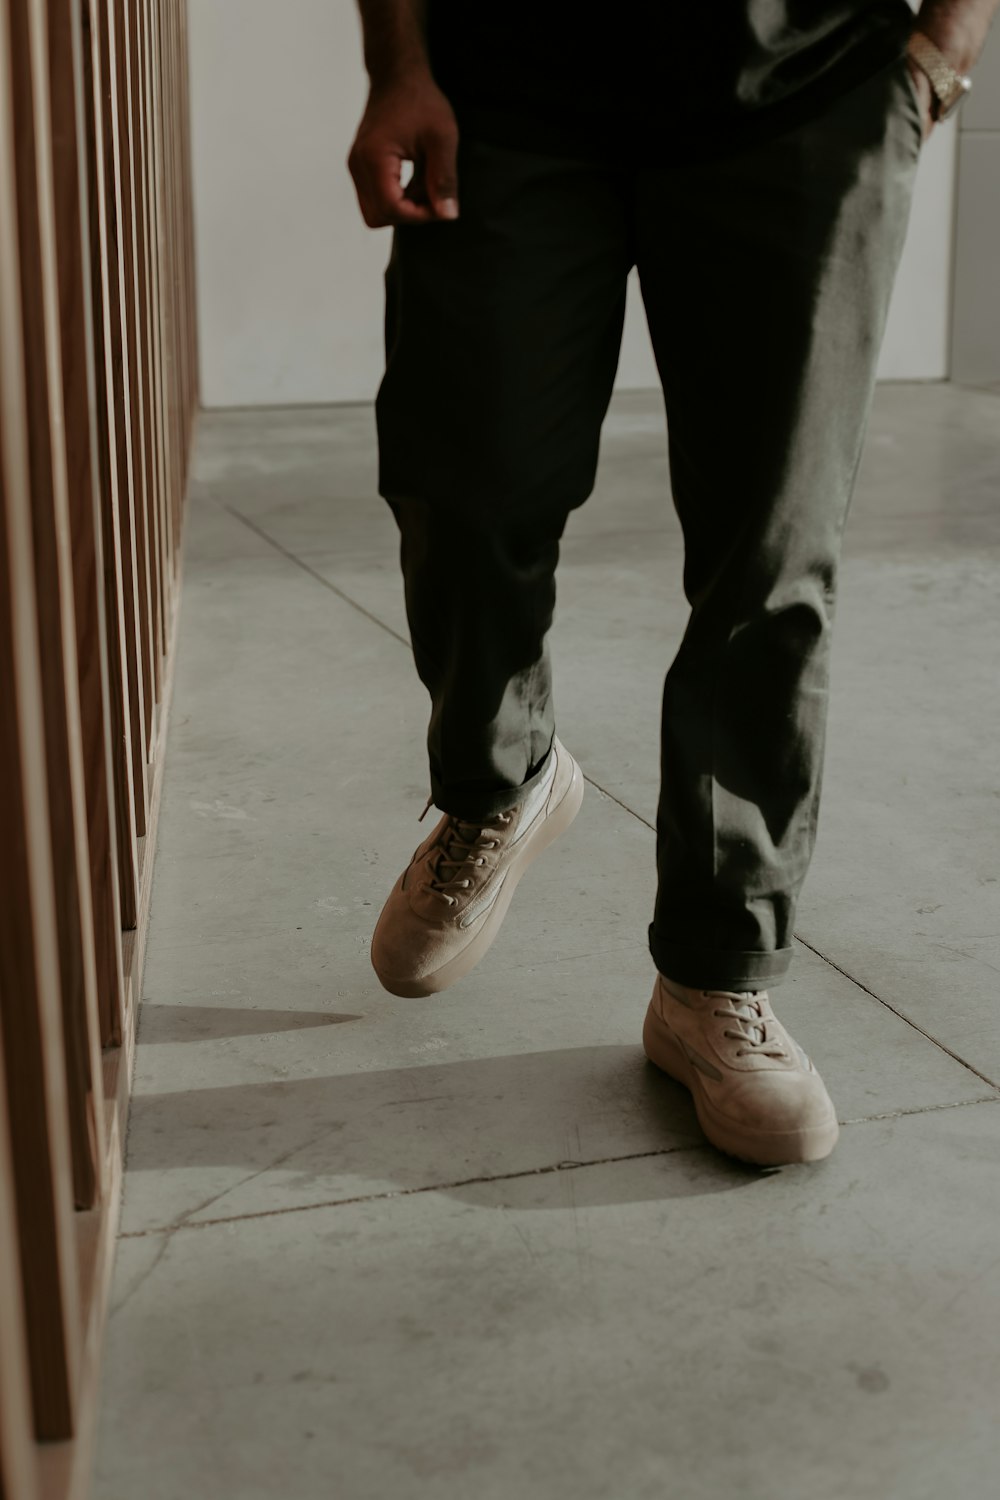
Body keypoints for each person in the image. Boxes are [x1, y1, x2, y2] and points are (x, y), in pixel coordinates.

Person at [348, 1, 996, 1167]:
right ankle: (502, 779)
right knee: (464, 483)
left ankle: (713, 976)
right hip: (508, 88)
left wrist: (942, 52)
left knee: (772, 556)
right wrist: (398, 60)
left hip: (804, 84)